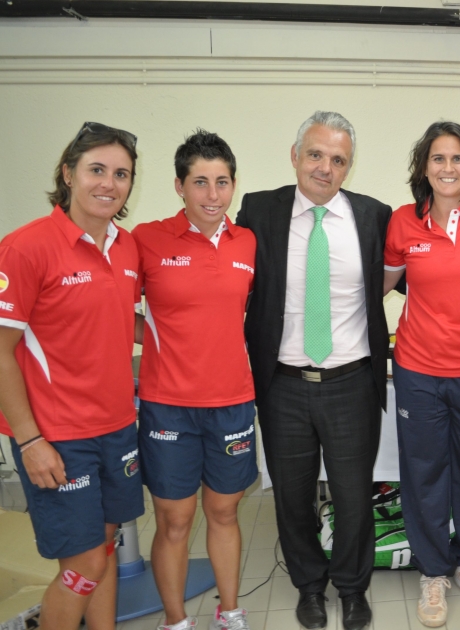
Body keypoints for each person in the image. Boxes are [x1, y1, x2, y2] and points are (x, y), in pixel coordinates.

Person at [235, 111, 391, 630]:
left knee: (352, 496)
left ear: (349, 167)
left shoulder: (374, 217)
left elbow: (427, 275)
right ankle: (308, 585)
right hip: (282, 384)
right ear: (296, 155)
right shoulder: (259, 211)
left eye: (338, 159)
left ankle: (351, 588)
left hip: (351, 383)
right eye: (316, 154)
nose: (325, 167)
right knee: (293, 496)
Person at [0, 122, 143, 630]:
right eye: (96, 170)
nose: (109, 183)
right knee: (82, 565)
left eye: (121, 173)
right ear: (68, 174)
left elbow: (129, 321)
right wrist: (31, 439)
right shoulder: (25, 247)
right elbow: (2, 351)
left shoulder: (126, 249)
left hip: (116, 427)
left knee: (103, 549)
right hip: (58, 437)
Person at [382, 121, 460, 627]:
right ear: (423, 168)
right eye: (438, 159)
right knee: (424, 472)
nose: (448, 168)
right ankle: (433, 571)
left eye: (458, 158)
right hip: (417, 371)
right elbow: (380, 286)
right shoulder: (402, 223)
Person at [132, 130, 257, 630]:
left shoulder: (247, 241)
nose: (212, 195)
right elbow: (116, 309)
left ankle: (230, 612)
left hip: (233, 402)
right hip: (168, 406)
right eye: (200, 182)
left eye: (222, 182)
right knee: (175, 521)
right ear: (180, 186)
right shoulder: (146, 239)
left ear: (232, 186)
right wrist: (161, 339)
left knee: (225, 513)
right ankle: (176, 620)